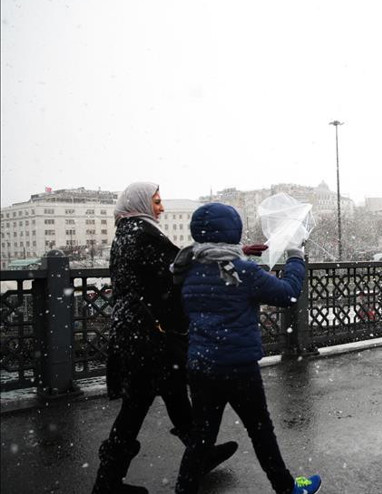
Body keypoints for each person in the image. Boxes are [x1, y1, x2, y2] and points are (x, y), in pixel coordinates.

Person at [92, 183, 237, 494]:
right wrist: (225, 255)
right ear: (142, 203)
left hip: (138, 334)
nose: (161, 208)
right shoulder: (141, 234)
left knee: (170, 395)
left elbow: (167, 268)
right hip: (147, 338)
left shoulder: (127, 232)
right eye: (156, 202)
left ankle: (199, 454)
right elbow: (177, 267)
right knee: (136, 407)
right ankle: (107, 484)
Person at [171, 203, 322, 494]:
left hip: (201, 366)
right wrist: (296, 256)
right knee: (261, 431)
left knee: (201, 437)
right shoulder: (243, 272)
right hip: (238, 367)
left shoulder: (188, 269)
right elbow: (288, 293)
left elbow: (217, 270)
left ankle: (183, 489)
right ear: (233, 231)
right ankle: (286, 487)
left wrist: (238, 253)